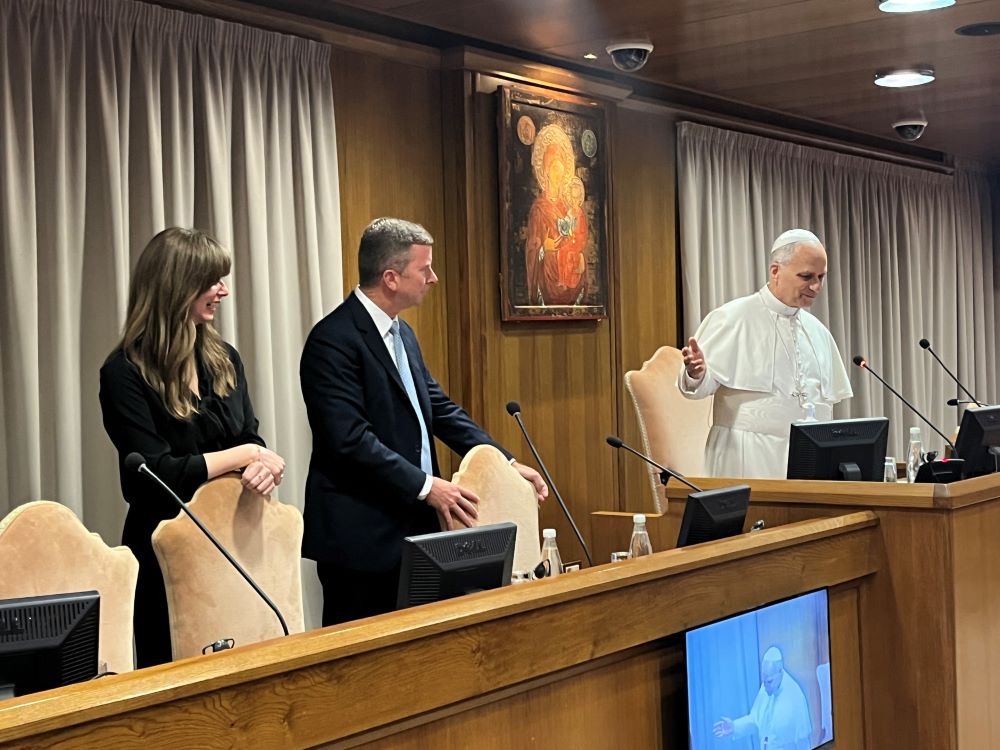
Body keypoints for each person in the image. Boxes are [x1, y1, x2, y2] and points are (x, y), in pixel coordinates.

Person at [300, 217, 547, 626]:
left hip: (411, 530)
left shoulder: (403, 334)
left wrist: (504, 462)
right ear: (391, 278)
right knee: (366, 667)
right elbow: (349, 440)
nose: (433, 278)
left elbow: (439, 409)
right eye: (425, 268)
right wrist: (427, 486)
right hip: (361, 539)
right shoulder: (333, 340)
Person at [100, 227, 285, 668]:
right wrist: (245, 458)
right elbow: (155, 474)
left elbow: (250, 436)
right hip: (167, 554)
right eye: (212, 280)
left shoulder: (224, 358)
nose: (223, 290)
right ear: (176, 285)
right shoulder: (123, 373)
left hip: (235, 545)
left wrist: (264, 464)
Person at [679, 229, 852, 479]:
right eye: (806, 276)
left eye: (821, 277)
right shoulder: (732, 318)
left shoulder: (818, 332)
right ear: (775, 271)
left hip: (808, 458)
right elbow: (699, 388)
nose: (816, 286)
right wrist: (697, 373)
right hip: (745, 455)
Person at [713, 647, 812, 750]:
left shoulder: (795, 697)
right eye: (763, 681)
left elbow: (802, 740)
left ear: (780, 672)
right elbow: (755, 719)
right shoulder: (766, 688)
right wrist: (734, 726)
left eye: (769, 682)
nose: (765, 687)